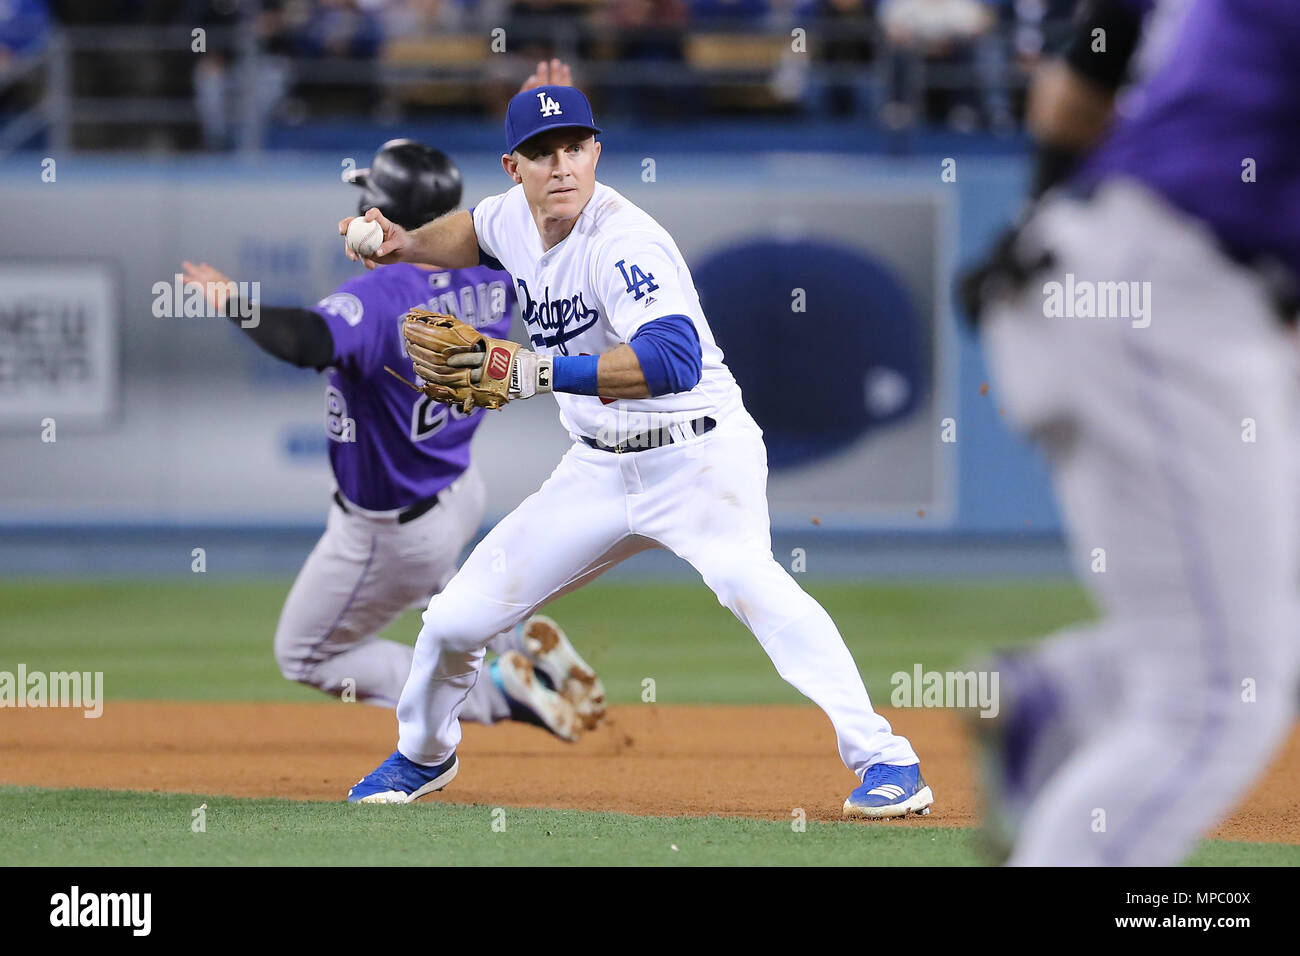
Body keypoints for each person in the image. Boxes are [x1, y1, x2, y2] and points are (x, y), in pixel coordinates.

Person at [338, 83, 933, 814]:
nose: (561, 166)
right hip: (595, 466)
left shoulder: (625, 241)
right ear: (512, 166)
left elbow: (673, 360)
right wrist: (407, 244)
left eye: (575, 148)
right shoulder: (512, 218)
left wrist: (535, 369)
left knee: (754, 586)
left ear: (595, 153)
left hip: (698, 457)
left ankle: (887, 760)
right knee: (456, 620)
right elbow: (475, 232)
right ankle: (422, 756)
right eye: (541, 154)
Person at [965, 0, 1299, 865]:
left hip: (1165, 285)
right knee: (1217, 699)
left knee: (1270, 629)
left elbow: (1093, 60)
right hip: (1170, 290)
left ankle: (1066, 698)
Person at [182, 132, 606, 744]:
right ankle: (512, 637)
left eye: (367, 199)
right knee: (436, 585)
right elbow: (548, 228)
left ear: (380, 214)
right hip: (459, 488)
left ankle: (498, 692)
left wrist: (232, 300)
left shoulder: (380, 298)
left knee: (305, 654)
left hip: (389, 527)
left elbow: (304, 342)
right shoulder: (498, 275)